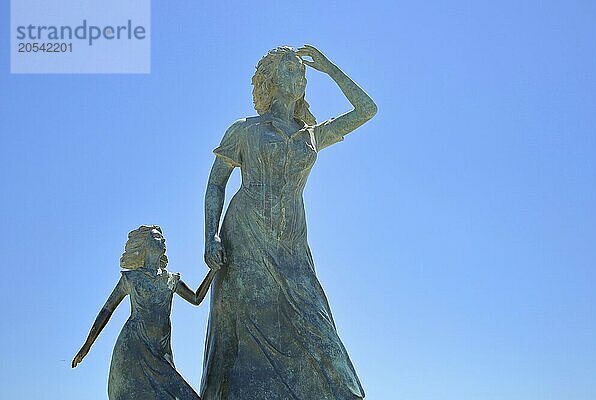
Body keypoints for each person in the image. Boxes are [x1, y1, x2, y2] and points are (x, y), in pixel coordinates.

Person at [201, 45, 377, 400]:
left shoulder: (310, 133)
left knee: (318, 328)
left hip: (292, 245)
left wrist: (329, 68)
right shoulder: (244, 130)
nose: (301, 76)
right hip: (245, 238)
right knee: (240, 333)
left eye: (303, 71)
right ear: (271, 80)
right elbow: (216, 182)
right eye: (291, 69)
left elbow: (367, 110)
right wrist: (211, 236)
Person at [72, 225, 215, 400]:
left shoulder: (170, 280)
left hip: (160, 351)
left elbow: (196, 299)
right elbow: (107, 310)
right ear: (144, 245)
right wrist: (87, 346)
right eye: (156, 237)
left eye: (163, 238)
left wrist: (213, 270)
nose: (163, 240)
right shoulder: (131, 278)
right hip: (134, 347)